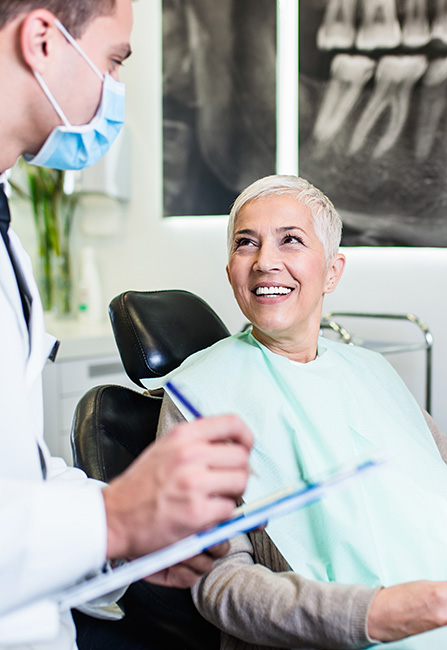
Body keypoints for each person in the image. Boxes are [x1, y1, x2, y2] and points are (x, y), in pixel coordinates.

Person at [152, 174, 447, 649]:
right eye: (246, 243)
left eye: (291, 241)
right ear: (230, 268)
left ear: (333, 272)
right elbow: (220, 581)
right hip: (349, 632)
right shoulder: (201, 394)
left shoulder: (370, 369)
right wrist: (372, 615)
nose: (265, 262)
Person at [0, 2, 253, 648]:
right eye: (114, 61)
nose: (116, 90)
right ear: (43, 41)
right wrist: (113, 518)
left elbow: (20, 471)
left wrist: (129, 547)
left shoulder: (9, 239)